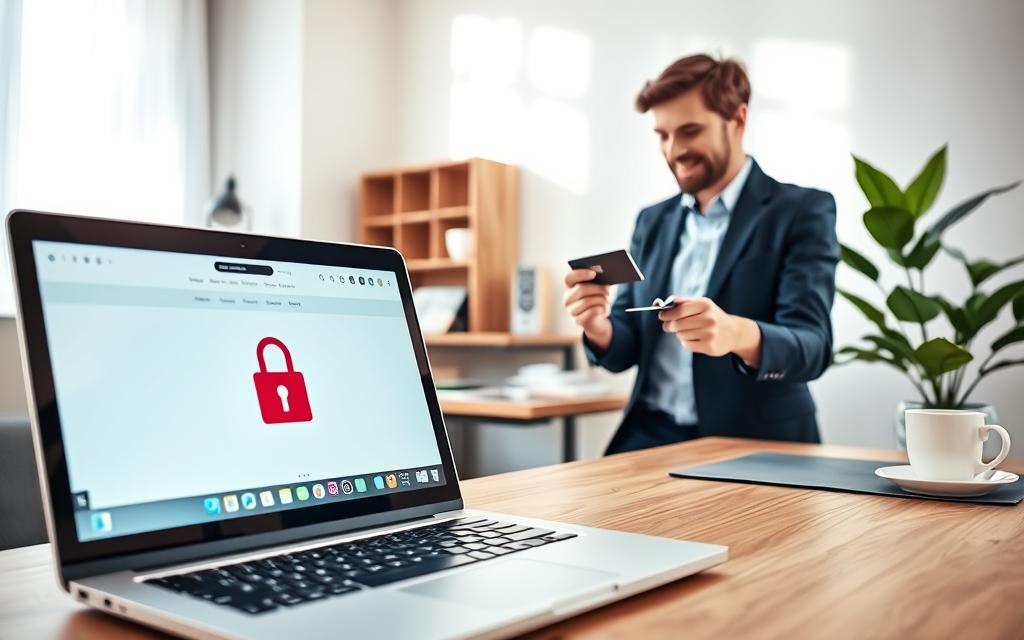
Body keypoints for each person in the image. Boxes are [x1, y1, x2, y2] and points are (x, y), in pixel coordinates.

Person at [563, 54, 839, 454]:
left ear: (738, 120)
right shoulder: (652, 220)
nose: (675, 150)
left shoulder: (801, 211)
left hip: (753, 444)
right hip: (649, 436)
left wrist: (735, 333)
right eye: (663, 135)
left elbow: (812, 347)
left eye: (690, 131)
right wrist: (599, 327)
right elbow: (628, 344)